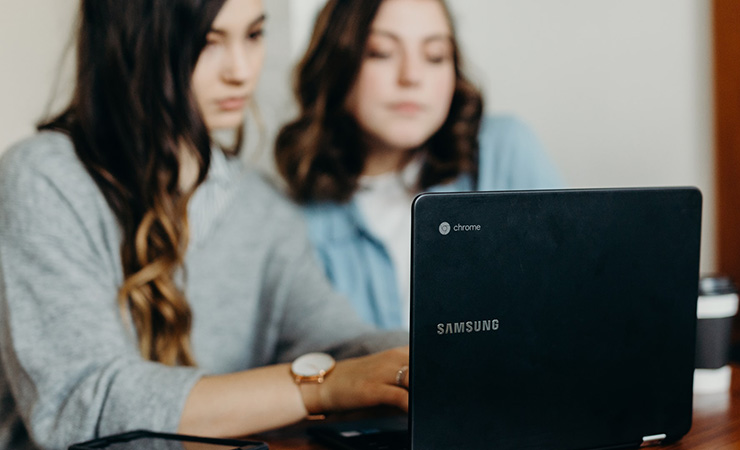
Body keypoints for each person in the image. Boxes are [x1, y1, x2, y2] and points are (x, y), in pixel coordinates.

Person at [0, 1, 410, 449]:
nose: (240, 70)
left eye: (253, 36)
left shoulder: (262, 207)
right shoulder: (44, 178)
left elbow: (341, 345)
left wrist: (436, 355)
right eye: (208, 42)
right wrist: (320, 388)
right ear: (134, 44)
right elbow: (82, 405)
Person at [274, 0, 564, 330]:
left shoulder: (504, 150)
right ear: (335, 64)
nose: (411, 76)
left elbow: (572, 300)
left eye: (435, 56)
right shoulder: (292, 217)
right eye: (381, 52)